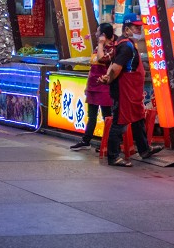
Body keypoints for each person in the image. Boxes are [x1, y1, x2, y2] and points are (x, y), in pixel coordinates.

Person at [99, 14, 163, 167]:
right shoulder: (126, 46)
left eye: (140, 26)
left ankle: (144, 149)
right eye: (136, 27)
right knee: (120, 122)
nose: (138, 29)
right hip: (124, 91)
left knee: (138, 118)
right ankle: (113, 157)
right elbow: (115, 68)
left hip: (132, 92)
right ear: (126, 29)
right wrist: (108, 79)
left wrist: (107, 77)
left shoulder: (127, 44)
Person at [69, 22, 116, 151]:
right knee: (92, 116)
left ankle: (108, 143)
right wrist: (87, 86)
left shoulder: (111, 49)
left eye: (97, 31)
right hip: (93, 88)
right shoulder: (97, 48)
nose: (95, 34)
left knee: (107, 117)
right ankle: (86, 141)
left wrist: (101, 44)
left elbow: (102, 59)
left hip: (104, 88)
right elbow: (92, 68)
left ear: (103, 35)